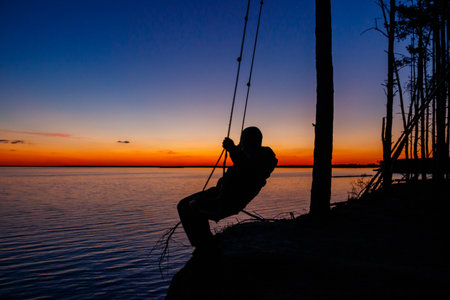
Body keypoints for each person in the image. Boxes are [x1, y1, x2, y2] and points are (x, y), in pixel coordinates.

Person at [177, 126, 278, 250]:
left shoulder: (264, 155)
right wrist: (232, 148)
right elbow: (243, 159)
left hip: (229, 199)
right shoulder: (247, 154)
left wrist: (232, 149)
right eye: (242, 139)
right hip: (220, 192)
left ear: (253, 141)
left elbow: (249, 169)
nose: (242, 142)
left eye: (244, 139)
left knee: (191, 208)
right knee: (184, 204)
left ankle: (204, 246)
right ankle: (204, 243)